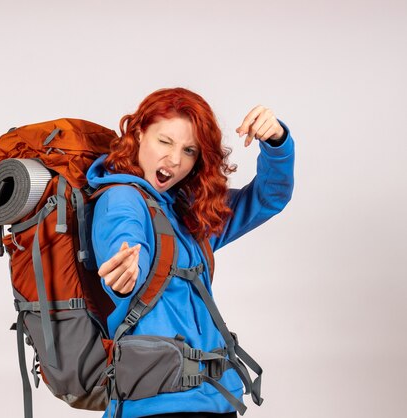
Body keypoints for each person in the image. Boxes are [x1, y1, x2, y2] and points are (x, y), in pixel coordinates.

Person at [86, 87, 295, 418]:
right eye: (164, 142)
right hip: (160, 406)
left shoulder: (187, 213)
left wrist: (276, 143)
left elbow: (269, 198)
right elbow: (123, 240)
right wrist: (125, 275)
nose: (174, 160)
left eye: (189, 150)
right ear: (139, 134)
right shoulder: (121, 199)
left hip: (215, 399)